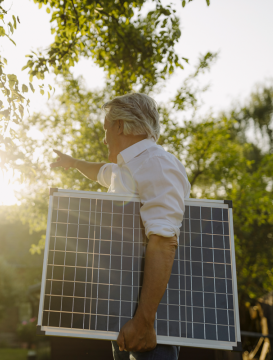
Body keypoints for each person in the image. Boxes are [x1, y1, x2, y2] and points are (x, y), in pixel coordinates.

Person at [50, 93, 191, 360]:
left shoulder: (158, 164)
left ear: (119, 126)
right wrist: (73, 163)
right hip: (125, 313)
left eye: (105, 129)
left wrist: (144, 322)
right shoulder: (128, 168)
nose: (104, 139)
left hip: (149, 321)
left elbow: (163, 241)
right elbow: (101, 172)